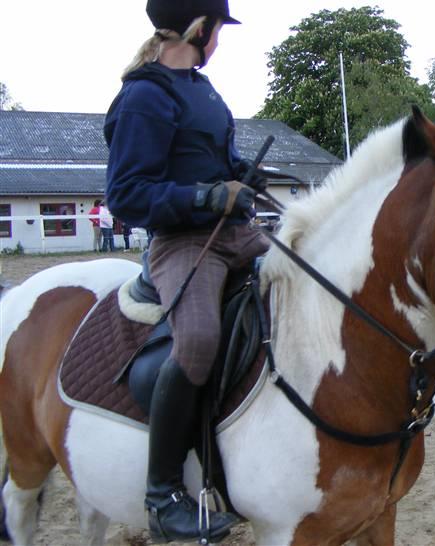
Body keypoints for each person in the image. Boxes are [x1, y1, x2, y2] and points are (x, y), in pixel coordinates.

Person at [103, 0, 267, 541]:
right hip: (182, 243)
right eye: (219, 30)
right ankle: (164, 496)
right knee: (197, 339)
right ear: (200, 28)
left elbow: (212, 159)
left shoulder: (202, 89)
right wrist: (210, 194)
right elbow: (127, 196)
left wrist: (243, 174)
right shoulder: (144, 97)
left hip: (236, 232)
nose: (219, 41)